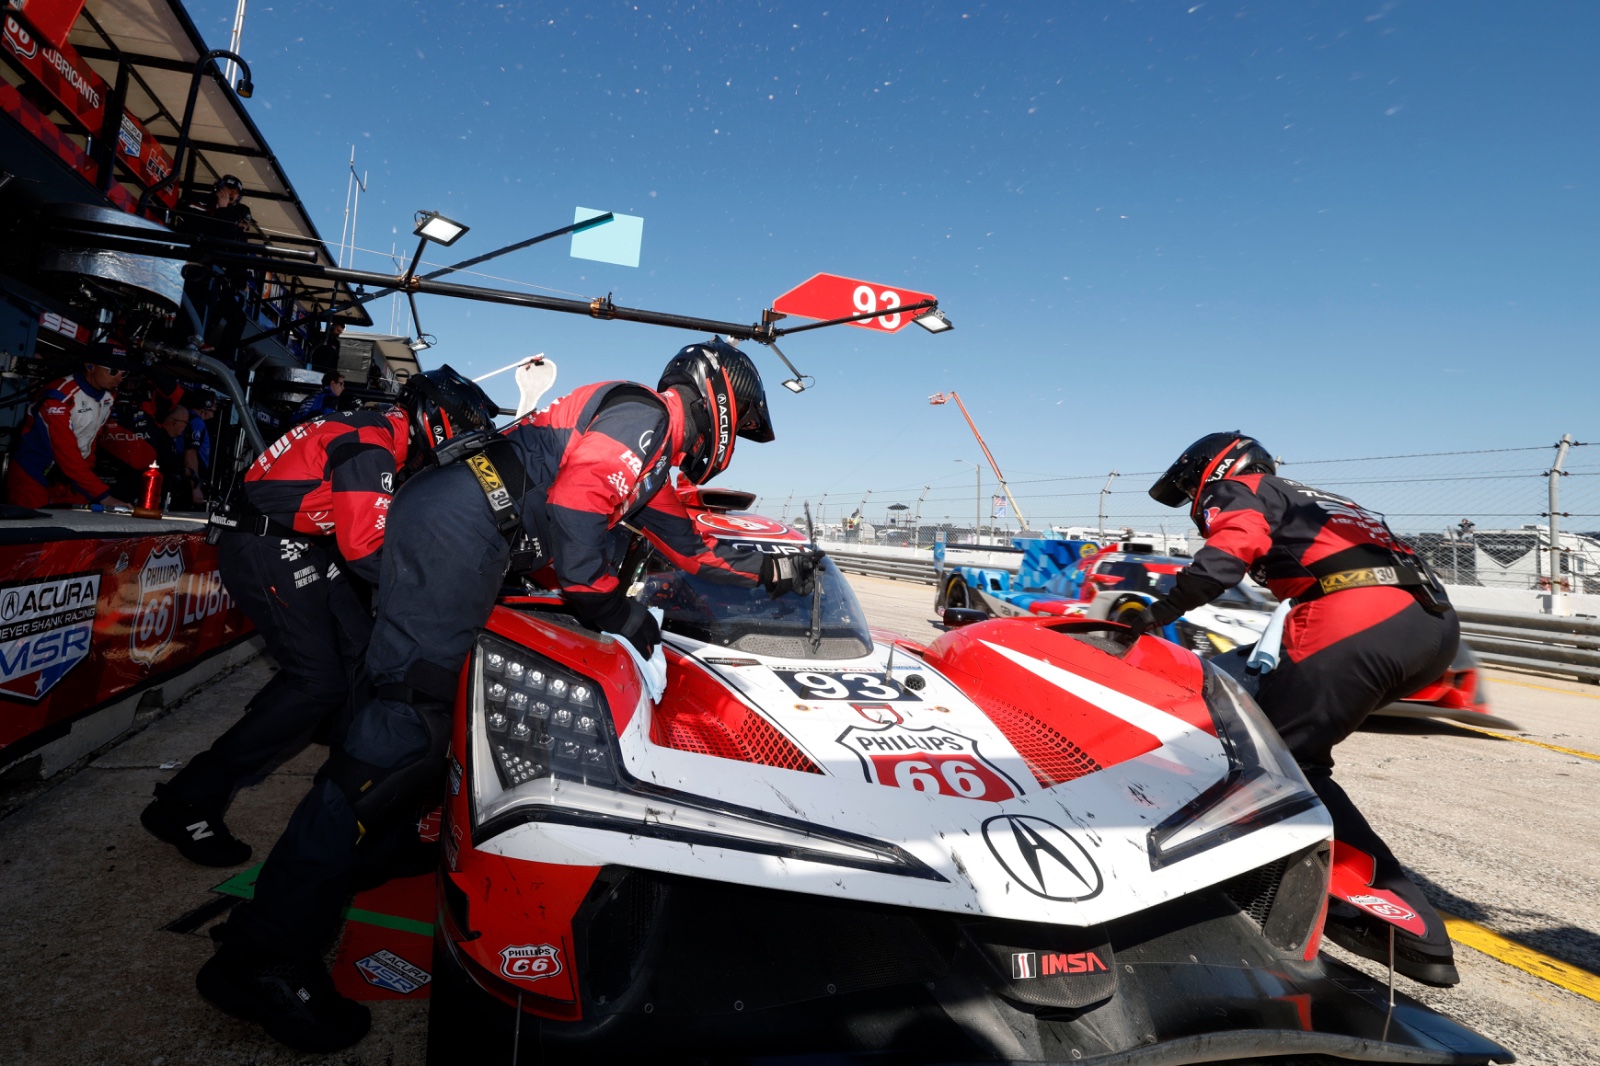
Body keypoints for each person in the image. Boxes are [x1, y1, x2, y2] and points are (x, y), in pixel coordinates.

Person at [199, 341, 788, 1052]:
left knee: (421, 727)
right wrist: (612, 608)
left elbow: (682, 539)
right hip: (454, 531)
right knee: (396, 738)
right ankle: (259, 958)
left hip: (466, 531)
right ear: (719, 399)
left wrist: (765, 584)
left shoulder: (649, 455)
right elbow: (575, 516)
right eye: (744, 422)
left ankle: (372, 849)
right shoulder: (643, 413)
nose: (738, 441)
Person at [1134, 432, 1460, 986]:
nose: (1194, 496)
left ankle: (1396, 917)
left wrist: (1157, 610)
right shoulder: (1323, 499)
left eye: (1192, 484)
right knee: (1247, 717)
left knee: (1281, 763)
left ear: (1215, 469)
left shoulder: (1238, 486)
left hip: (1355, 617)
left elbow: (1228, 554)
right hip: (1431, 625)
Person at [140, 393, 430, 868]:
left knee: (361, 649)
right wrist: (433, 585)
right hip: (265, 544)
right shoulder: (370, 441)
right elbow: (364, 549)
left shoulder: (368, 427)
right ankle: (184, 800)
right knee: (316, 682)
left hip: (292, 541)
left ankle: (351, 792)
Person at [6, 343, 133, 509]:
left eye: (124, 373)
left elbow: (90, 440)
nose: (119, 378)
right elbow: (65, 450)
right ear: (90, 367)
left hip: (70, 477)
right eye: (113, 371)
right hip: (34, 476)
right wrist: (102, 495)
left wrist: (88, 483)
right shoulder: (58, 396)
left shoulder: (108, 395)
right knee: (31, 530)